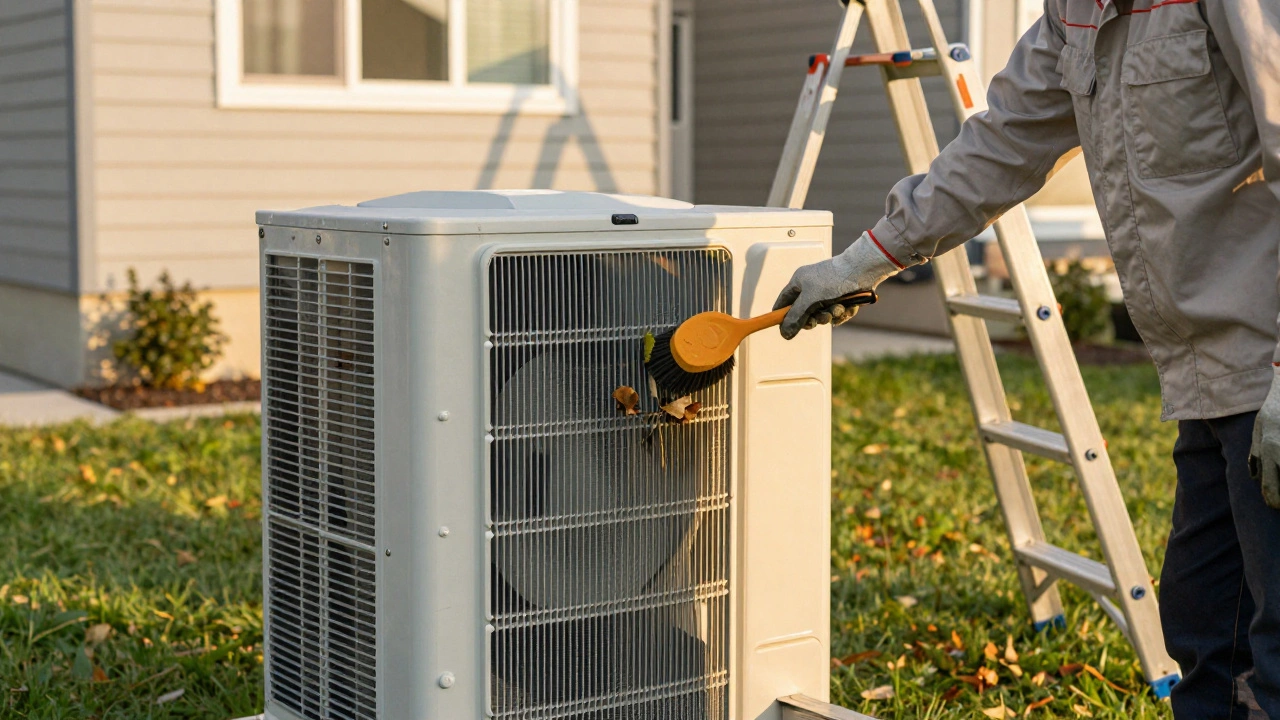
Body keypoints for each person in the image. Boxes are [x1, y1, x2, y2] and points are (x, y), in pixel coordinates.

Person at [773, 1, 1280, 717]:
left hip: (1271, 367)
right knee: (1203, 638)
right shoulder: (1073, 14)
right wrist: (865, 262)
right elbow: (1000, 146)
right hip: (1210, 380)